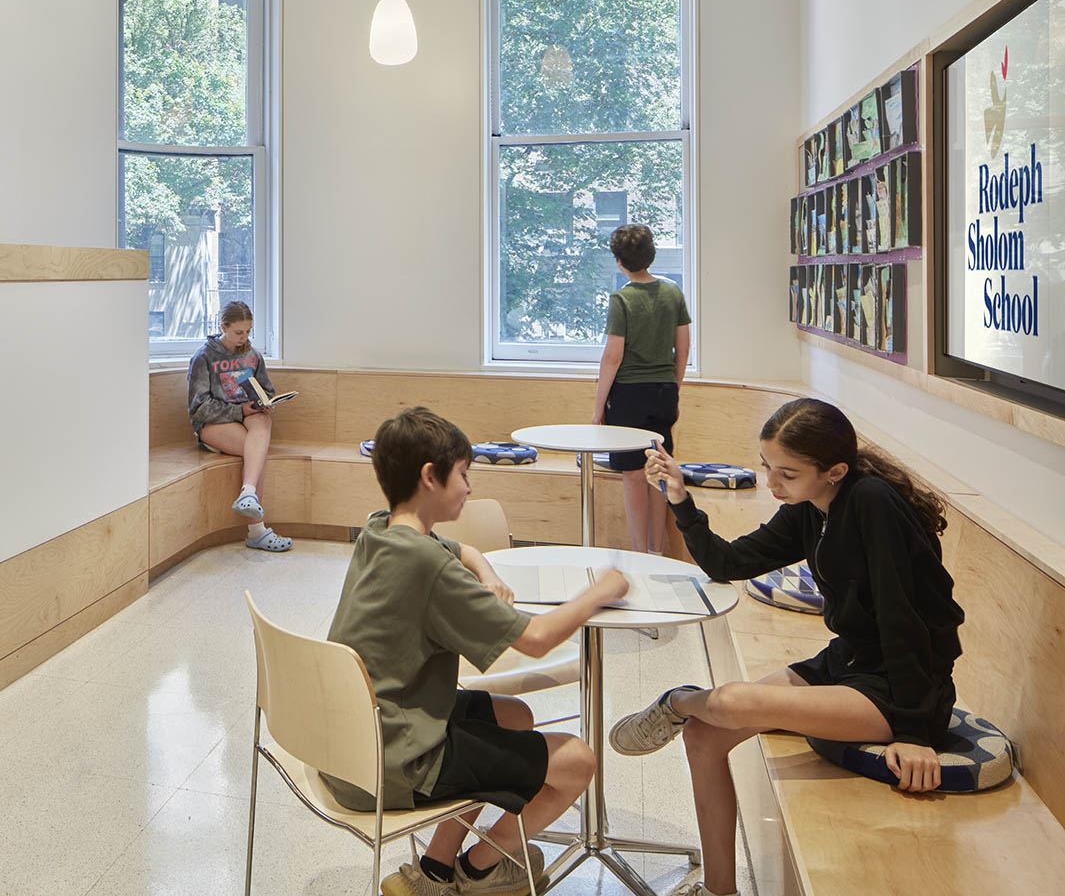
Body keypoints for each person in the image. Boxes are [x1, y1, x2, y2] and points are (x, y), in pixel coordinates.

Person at [608, 398, 965, 896]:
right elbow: (726, 562)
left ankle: (677, 701)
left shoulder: (872, 503)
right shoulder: (808, 509)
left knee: (727, 701)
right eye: (767, 468)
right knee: (705, 737)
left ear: (835, 470)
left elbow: (901, 615)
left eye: (787, 474)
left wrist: (911, 732)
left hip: (905, 686)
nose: (772, 484)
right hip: (849, 662)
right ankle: (718, 889)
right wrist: (679, 499)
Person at [323, 406, 629, 896]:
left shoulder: (381, 529)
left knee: (514, 715)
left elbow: (460, 551)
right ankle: (484, 867)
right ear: (430, 477)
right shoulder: (429, 568)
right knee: (578, 760)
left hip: (354, 738)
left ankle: (435, 873)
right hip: (394, 762)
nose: (469, 487)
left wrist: (487, 573)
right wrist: (602, 591)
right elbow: (536, 639)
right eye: (463, 475)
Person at [592, 224, 691, 554]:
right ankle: (657, 550)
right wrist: (674, 389)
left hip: (628, 396)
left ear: (619, 261)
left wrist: (598, 409)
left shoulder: (621, 299)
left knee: (633, 475)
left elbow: (612, 357)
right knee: (658, 471)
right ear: (652, 255)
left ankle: (638, 552)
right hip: (663, 391)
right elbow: (683, 347)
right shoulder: (673, 293)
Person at [187, 300, 292, 552]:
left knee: (262, 420)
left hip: (247, 420)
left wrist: (264, 403)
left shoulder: (252, 355)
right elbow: (198, 407)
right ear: (223, 326)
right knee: (258, 450)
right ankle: (256, 530)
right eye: (238, 332)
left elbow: (266, 389)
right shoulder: (204, 357)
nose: (244, 337)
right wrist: (239, 410)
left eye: (248, 331)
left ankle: (248, 493)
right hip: (213, 425)